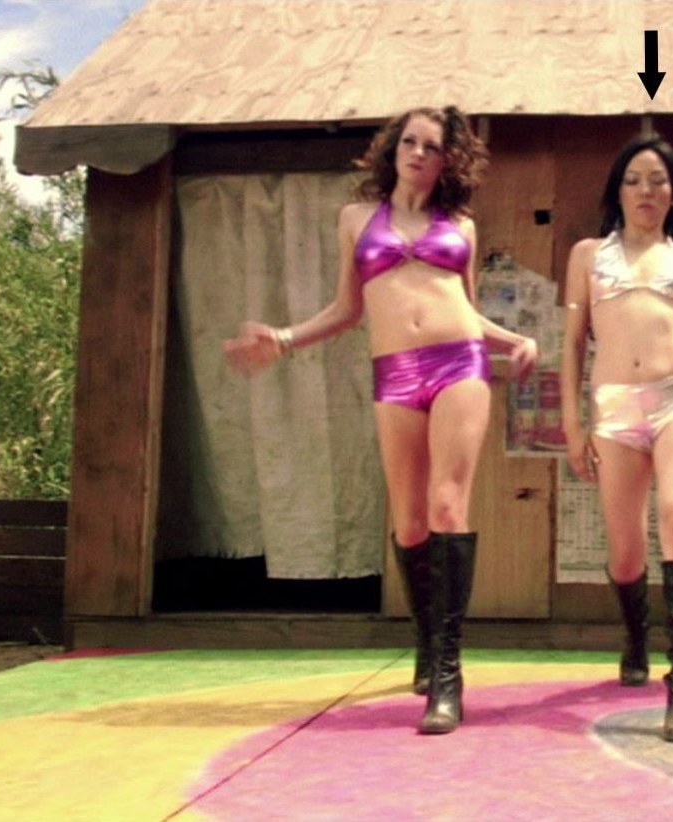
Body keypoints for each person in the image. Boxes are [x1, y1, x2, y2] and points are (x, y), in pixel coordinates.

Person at [223, 106, 537, 734]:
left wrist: (514, 341)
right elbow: (346, 308)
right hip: (395, 371)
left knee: (448, 506)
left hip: (459, 362)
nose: (419, 153)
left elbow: (466, 309)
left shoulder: (462, 226)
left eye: (433, 146)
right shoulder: (356, 219)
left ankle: (447, 675)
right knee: (410, 521)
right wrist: (283, 338)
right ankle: (428, 639)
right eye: (410, 142)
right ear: (393, 150)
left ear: (448, 160)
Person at [559, 136, 673, 742]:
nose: (646, 190)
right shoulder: (588, 255)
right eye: (634, 179)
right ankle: (636, 635)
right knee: (626, 547)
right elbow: (572, 344)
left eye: (658, 180)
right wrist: (573, 423)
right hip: (615, 409)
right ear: (618, 190)